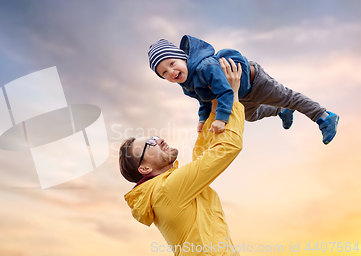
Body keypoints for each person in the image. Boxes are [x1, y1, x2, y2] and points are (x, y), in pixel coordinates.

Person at [120, 58, 244, 256]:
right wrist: (233, 98)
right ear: (144, 169)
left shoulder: (166, 189)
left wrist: (214, 108)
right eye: (150, 144)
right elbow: (227, 148)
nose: (159, 140)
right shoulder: (167, 190)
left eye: (154, 137)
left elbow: (203, 157)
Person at [148, 36, 339, 145]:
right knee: (250, 116)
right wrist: (202, 119)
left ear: (183, 58)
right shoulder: (186, 85)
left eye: (172, 63)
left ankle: (323, 115)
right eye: (164, 72)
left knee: (287, 97)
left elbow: (224, 92)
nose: (171, 71)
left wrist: (221, 119)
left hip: (255, 82)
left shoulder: (204, 67)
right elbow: (205, 100)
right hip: (240, 94)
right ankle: (281, 111)